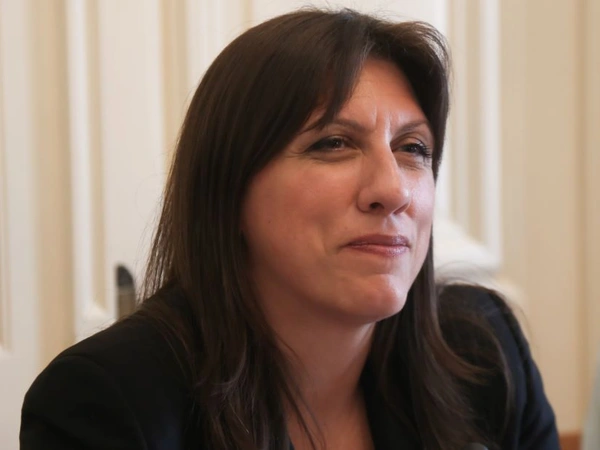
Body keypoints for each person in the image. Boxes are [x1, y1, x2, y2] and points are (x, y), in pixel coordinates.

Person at [19, 8, 559, 450]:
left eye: (413, 148)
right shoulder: (107, 402)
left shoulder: (485, 355)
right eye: (334, 143)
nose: (392, 189)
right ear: (229, 189)